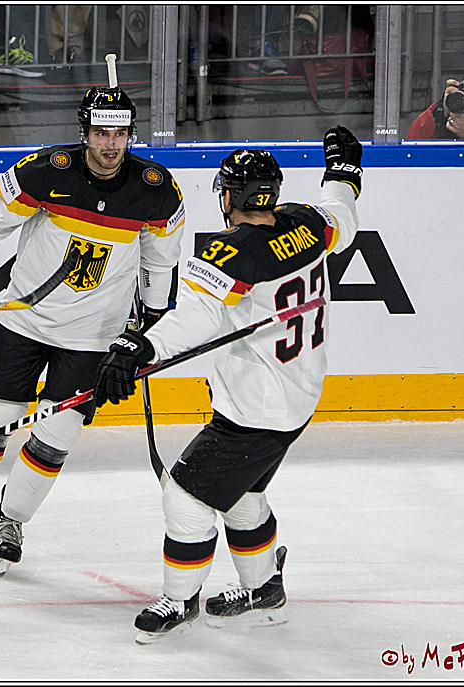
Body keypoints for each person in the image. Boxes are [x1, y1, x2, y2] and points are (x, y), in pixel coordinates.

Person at [93, 128, 363, 643]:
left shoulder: (229, 253)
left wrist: (138, 349)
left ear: (229, 197)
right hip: (297, 396)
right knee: (241, 493)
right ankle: (264, 589)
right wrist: (343, 173)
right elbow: (341, 213)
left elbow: (193, 320)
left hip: (255, 411)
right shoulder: (307, 224)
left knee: (185, 496)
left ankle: (180, 599)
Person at [0, 86, 185, 575]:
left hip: (94, 338)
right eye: (101, 133)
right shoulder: (44, 170)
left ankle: (9, 521)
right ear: (84, 132)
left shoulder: (157, 189)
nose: (110, 145)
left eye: (120, 134)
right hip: (24, 322)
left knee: (57, 435)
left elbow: (160, 265)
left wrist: (151, 328)